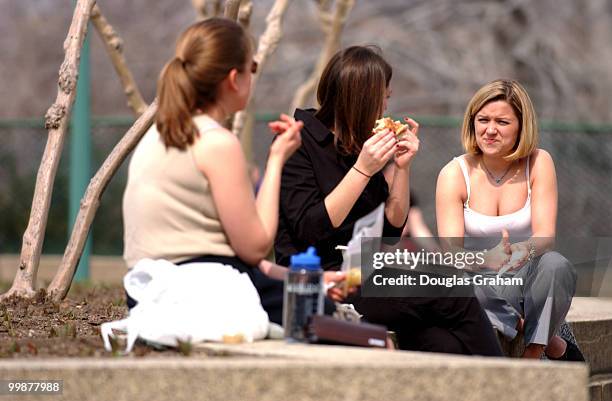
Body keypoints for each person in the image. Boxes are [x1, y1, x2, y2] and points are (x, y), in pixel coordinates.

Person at [275, 45, 502, 356]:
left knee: (440, 340)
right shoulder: (300, 141)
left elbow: (392, 231)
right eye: (384, 96)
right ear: (363, 97)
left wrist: (401, 167)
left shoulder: (359, 143)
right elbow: (310, 230)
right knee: (454, 289)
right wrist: (362, 170)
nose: (385, 106)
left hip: (366, 272)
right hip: (320, 282)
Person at [122, 18, 345, 326]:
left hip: (150, 291)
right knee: (332, 319)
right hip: (197, 293)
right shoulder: (217, 143)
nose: (253, 77)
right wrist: (277, 159)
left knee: (312, 295)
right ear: (233, 78)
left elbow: (232, 256)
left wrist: (314, 279)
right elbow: (255, 248)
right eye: (251, 68)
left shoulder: (161, 134)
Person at [435, 79, 582, 360]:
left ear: (521, 126)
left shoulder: (539, 162)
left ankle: (534, 351)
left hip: (528, 281)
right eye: (483, 120)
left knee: (556, 264)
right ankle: (546, 339)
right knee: (453, 284)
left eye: (502, 122)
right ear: (472, 122)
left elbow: (545, 238)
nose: (490, 130)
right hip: (482, 283)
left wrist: (520, 251)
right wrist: (486, 259)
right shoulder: (453, 173)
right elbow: (451, 253)